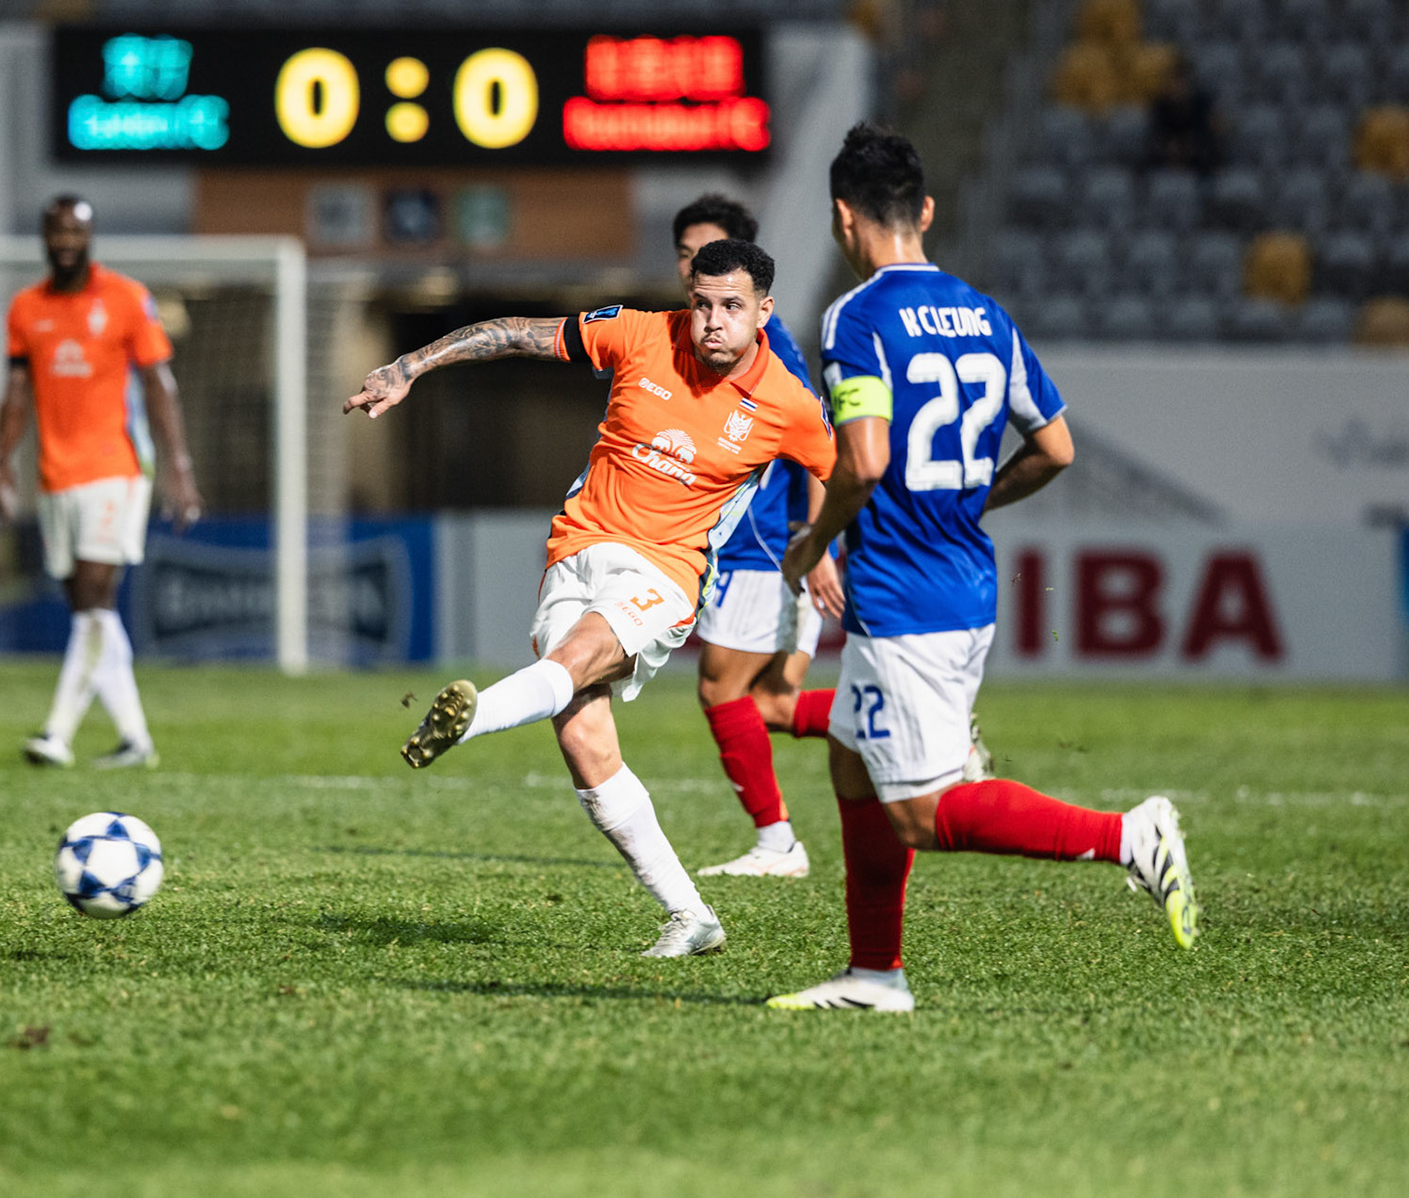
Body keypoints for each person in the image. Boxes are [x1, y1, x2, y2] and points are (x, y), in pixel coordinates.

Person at [767, 125, 1199, 1013]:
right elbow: (1057, 448)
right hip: (964, 580)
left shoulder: (856, 317)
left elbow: (865, 460)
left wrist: (810, 548)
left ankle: (1129, 836)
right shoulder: (986, 315)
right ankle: (874, 975)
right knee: (852, 761)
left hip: (901, 592)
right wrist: (977, 500)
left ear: (844, 220)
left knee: (921, 812)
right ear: (923, 211)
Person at [345, 239, 837, 957]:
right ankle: (691, 916)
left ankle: (475, 717)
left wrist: (819, 545)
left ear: (764, 311)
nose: (710, 322)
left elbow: (840, 468)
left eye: (731, 307)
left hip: (665, 572)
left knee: (576, 661)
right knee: (582, 737)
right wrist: (410, 366)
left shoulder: (786, 402)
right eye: (700, 304)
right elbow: (514, 333)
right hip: (574, 552)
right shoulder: (640, 333)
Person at [0, 195, 202, 770]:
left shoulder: (127, 299)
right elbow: (15, 391)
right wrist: (1, 461)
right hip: (55, 476)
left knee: (93, 596)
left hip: (118, 468)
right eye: (56, 232)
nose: (65, 242)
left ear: (91, 237)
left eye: (75, 233)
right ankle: (136, 739)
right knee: (91, 610)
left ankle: (56, 733)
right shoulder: (25, 309)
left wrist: (180, 469)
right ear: (43, 237)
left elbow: (160, 385)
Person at [667, 196, 841, 880]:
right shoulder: (692, 334)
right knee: (768, 704)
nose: (692, 267)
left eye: (706, 252)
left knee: (722, 694)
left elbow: (815, 440)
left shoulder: (770, 348)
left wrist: (815, 542)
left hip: (763, 546)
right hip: (753, 547)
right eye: (684, 254)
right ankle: (928, 727)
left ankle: (777, 843)